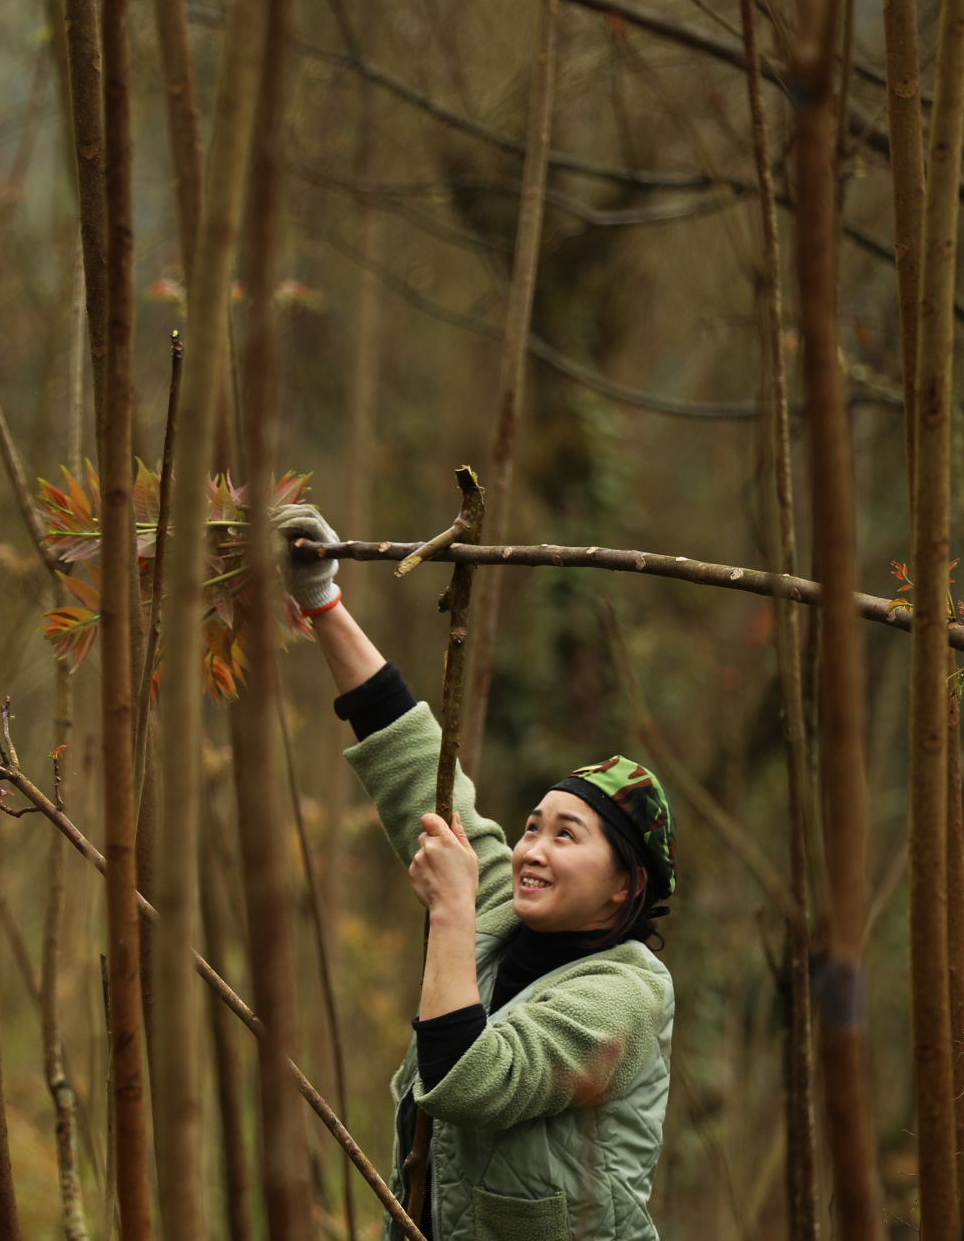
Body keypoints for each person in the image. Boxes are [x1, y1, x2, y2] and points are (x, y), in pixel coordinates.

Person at [274, 504, 678, 1241]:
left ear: (626, 884)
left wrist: (451, 912)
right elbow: (411, 761)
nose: (531, 849)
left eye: (567, 835)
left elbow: (474, 1082)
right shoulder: (501, 908)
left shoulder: (627, 995)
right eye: (531, 826)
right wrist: (321, 598)